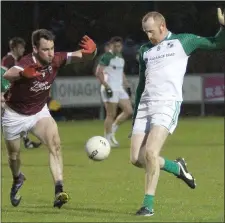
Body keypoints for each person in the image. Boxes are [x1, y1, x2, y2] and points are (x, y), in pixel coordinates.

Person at [131, 9, 225, 216]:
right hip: (145, 106)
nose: (148, 36)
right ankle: (177, 168)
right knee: (137, 158)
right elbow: (141, 85)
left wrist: (223, 27)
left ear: (162, 26)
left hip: (167, 104)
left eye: (151, 31)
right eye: (145, 32)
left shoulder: (184, 41)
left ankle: (148, 205)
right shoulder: (145, 50)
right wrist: (135, 115)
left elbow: (217, 43)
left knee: (151, 153)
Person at [2, 29, 97, 208]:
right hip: (14, 115)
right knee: (14, 156)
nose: (51, 53)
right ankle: (17, 178)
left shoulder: (56, 59)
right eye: (45, 49)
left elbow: (82, 55)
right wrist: (23, 74)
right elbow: (8, 74)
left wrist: (93, 52)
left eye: (52, 48)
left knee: (55, 144)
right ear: (35, 49)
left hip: (39, 112)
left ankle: (59, 190)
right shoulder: (26, 63)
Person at [2, 37, 42, 149]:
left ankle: (27, 141)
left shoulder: (15, 60)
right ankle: (26, 141)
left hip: (12, 93)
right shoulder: (8, 60)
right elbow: (4, 77)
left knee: (19, 116)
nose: (23, 49)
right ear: (14, 48)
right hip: (6, 94)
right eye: (21, 47)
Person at [95, 36, 133, 147]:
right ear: (111, 46)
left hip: (119, 88)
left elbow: (121, 73)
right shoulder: (107, 57)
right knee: (110, 114)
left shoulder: (120, 57)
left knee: (128, 111)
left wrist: (127, 86)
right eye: (115, 46)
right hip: (109, 87)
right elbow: (99, 72)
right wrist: (106, 86)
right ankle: (106, 139)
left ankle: (112, 132)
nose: (117, 48)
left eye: (119, 46)